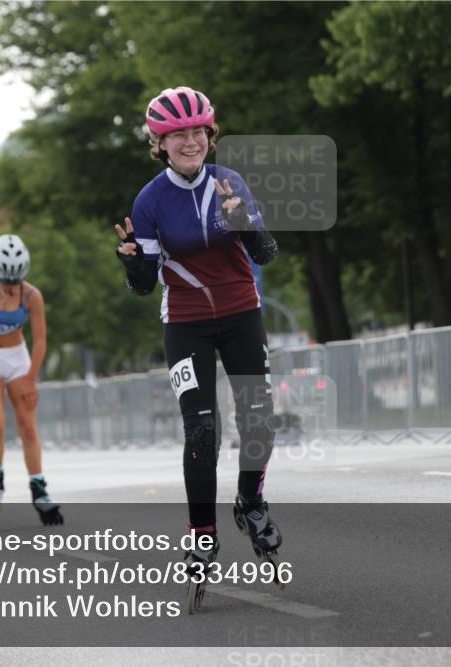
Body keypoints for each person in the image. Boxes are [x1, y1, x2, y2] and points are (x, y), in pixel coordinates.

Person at [115, 86, 283, 603]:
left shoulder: (230, 183)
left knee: (258, 417)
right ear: (159, 143)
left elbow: (267, 252)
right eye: (177, 135)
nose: (189, 142)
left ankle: (251, 499)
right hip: (185, 321)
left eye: (197, 132)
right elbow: (145, 287)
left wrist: (246, 225)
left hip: (240, 313)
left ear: (210, 136)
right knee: (202, 431)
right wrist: (133, 263)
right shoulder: (150, 201)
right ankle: (201, 535)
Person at [0, 233, 62, 527]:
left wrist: (31, 379)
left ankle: (39, 488)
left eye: (14, 282)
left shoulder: (32, 296)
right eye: (5, 281)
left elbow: (41, 341)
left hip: (18, 359)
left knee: (28, 427)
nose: (8, 287)